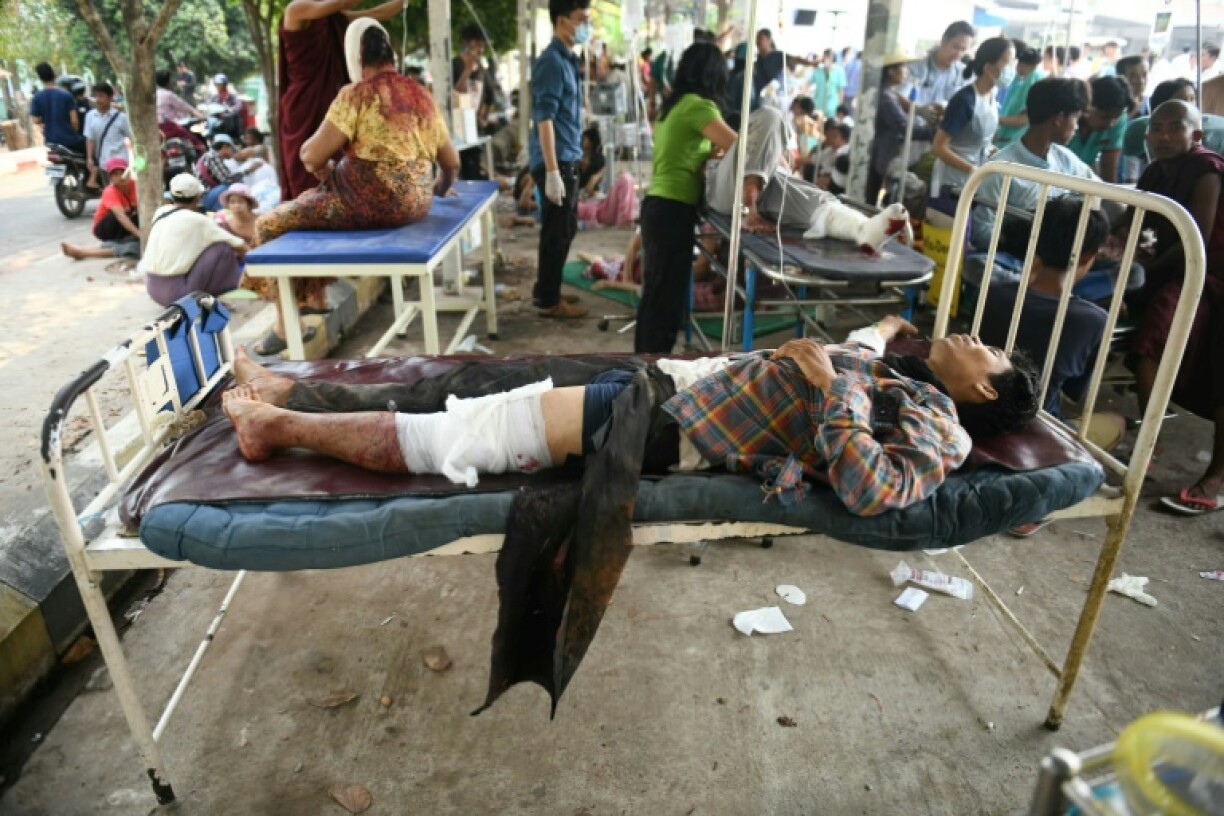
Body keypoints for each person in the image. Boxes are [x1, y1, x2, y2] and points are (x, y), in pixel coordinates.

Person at [222, 322, 1040, 516]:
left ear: (986, 396)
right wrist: (863, 350)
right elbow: (865, 351)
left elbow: (871, 488)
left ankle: (277, 425)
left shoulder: (943, 428)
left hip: (666, 426)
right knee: (469, 380)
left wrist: (831, 385)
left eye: (992, 353)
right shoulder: (900, 363)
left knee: (459, 437)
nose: (976, 337)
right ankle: (291, 395)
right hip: (672, 381)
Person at [248, 20, 460, 356]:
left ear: (355, 57)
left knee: (268, 224)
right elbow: (451, 163)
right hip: (417, 206)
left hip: (363, 206)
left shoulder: (356, 94)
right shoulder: (420, 94)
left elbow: (311, 154)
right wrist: (439, 189)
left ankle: (287, 326)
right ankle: (312, 300)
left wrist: (322, 168)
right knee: (309, 201)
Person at [1125, 101, 1224, 514]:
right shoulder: (1155, 170)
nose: (1163, 136)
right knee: (1150, 344)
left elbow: (1194, 238)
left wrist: (1141, 270)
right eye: (1156, 128)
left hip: (1208, 275)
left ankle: (1215, 480)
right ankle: (1149, 438)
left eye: (1174, 128)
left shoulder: (1206, 171)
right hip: (1180, 273)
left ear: (1195, 135)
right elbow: (1133, 215)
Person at [979, 198, 1120, 445]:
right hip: (1040, 429)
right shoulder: (1094, 320)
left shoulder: (994, 292)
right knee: (1116, 422)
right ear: (1089, 256)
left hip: (982, 412)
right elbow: (1075, 392)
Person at [634, 42, 737, 352]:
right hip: (672, 208)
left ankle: (644, 363)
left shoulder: (673, 105)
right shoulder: (699, 107)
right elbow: (742, 146)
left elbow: (687, 152)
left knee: (657, 292)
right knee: (663, 298)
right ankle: (649, 367)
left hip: (659, 205)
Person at [277, 0, 406, 201]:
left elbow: (375, 13)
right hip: (304, 105)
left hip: (332, 101)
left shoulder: (334, 18)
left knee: (341, 167)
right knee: (307, 179)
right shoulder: (296, 9)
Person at [971, 78, 1099, 249]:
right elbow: (981, 231)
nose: (1076, 127)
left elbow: (1097, 189)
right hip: (1020, 261)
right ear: (1059, 118)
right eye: (1075, 118)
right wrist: (1026, 243)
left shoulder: (1065, 159)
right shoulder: (1001, 169)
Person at [528, 0, 592, 319]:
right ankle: (549, 301)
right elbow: (545, 119)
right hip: (556, 162)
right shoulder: (551, 61)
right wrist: (552, 171)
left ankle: (547, 288)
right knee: (557, 231)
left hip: (566, 157)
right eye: (582, 19)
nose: (586, 26)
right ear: (562, 21)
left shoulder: (568, 60)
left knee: (562, 229)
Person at [140, 174, 249, 307]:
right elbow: (239, 245)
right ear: (198, 197)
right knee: (222, 248)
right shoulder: (198, 220)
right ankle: (207, 298)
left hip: (152, 289)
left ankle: (201, 297)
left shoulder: (161, 212)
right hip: (177, 294)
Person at [930, 37, 1014, 199]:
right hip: (951, 182)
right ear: (989, 67)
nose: (1012, 69)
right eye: (1007, 63)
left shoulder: (991, 96)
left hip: (972, 179)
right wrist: (972, 170)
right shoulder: (964, 101)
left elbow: (981, 141)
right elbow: (939, 147)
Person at [868, 49, 936, 206]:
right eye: (903, 67)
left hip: (880, 152)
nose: (906, 71)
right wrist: (934, 132)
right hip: (883, 154)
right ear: (891, 71)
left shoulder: (889, 92)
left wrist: (919, 110)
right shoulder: (886, 98)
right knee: (869, 200)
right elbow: (904, 127)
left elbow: (907, 105)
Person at [61, 157, 140, 261]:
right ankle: (83, 252)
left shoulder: (135, 185)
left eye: (123, 172)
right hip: (107, 227)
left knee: (133, 242)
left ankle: (83, 251)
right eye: (116, 174)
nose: (121, 177)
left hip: (124, 225)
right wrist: (140, 234)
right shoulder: (110, 191)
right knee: (133, 245)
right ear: (111, 177)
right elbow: (121, 217)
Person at [1065, 75, 1132, 183]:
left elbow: (1109, 170)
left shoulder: (1117, 120)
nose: (1110, 124)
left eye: (1114, 118)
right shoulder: (1067, 120)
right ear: (1088, 106)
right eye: (1104, 117)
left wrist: (1111, 198)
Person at [575, 126, 637, 228]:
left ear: (591, 141)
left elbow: (594, 187)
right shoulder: (576, 160)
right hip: (585, 204)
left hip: (600, 201)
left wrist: (596, 177)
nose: (582, 141)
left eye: (585, 139)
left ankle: (626, 219)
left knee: (626, 178)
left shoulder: (600, 160)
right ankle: (624, 219)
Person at [909, 21, 975, 110]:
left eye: (963, 49)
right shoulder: (915, 68)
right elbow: (899, 97)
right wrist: (919, 110)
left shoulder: (964, 74)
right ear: (944, 40)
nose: (958, 54)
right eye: (955, 47)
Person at [752, 29, 818, 107]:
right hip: (759, 96)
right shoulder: (757, 58)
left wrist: (811, 63)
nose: (757, 42)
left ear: (769, 40)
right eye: (757, 39)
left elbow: (796, 59)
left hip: (775, 96)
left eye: (760, 38)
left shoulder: (778, 56)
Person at [83, 82, 130, 189]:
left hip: (120, 162)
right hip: (104, 163)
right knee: (109, 191)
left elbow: (131, 137)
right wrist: (89, 158)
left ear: (110, 98)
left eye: (101, 96)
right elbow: (90, 139)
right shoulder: (90, 116)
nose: (98, 100)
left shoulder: (121, 117)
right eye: (96, 96)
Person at [995, 44, 1042, 148]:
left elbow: (1025, 119)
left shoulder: (1034, 81)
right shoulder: (1019, 82)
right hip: (1006, 136)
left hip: (1017, 138)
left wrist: (994, 119)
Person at [29, 62, 83, 151]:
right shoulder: (66, 95)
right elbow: (74, 121)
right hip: (69, 140)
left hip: (51, 141)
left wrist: (46, 118)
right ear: (54, 75)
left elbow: (35, 120)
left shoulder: (37, 97)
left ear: (40, 78)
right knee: (91, 149)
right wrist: (75, 132)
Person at [195, 134, 247, 212]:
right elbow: (226, 179)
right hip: (204, 198)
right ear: (225, 147)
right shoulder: (213, 157)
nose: (233, 153)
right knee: (230, 187)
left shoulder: (211, 156)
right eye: (232, 149)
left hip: (209, 194)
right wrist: (247, 171)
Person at [808, 49, 846, 119]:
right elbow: (808, 84)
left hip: (833, 106)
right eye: (825, 57)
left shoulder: (839, 72)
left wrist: (840, 105)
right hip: (819, 105)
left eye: (828, 58)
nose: (826, 60)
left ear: (833, 59)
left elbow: (841, 90)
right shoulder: (818, 71)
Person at [815, 122, 850, 194]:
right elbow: (815, 159)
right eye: (830, 136)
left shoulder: (843, 153)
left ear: (845, 139)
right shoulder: (831, 149)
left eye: (834, 136)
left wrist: (825, 179)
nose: (830, 139)